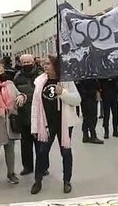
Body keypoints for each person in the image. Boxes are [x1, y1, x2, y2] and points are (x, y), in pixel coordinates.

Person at [30, 55, 81, 194]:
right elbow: (35, 105)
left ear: (55, 65)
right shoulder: (40, 81)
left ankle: (67, 181)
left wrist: (62, 92)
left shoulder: (66, 80)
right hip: (46, 123)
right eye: (44, 64)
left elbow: (77, 100)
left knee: (65, 152)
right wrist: (34, 126)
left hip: (64, 123)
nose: (45, 66)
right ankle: (38, 181)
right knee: (41, 152)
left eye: (48, 63)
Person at [0, 63, 27, 187]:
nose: (1, 74)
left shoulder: (10, 84)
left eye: (2, 71)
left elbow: (20, 94)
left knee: (10, 150)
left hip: (10, 120)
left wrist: (21, 97)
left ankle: (11, 173)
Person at [13, 54, 48, 176]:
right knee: (26, 144)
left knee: (41, 142)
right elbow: (14, 94)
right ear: (20, 63)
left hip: (40, 114)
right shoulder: (17, 77)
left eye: (29, 62)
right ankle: (27, 167)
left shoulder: (42, 76)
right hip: (24, 114)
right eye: (24, 62)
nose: (27, 64)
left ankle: (43, 167)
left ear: (34, 61)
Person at [79, 79, 104, 144]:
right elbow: (94, 85)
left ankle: (85, 135)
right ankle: (93, 135)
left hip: (84, 98)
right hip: (89, 97)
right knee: (92, 117)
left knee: (86, 117)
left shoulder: (82, 75)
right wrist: (98, 88)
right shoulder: (90, 76)